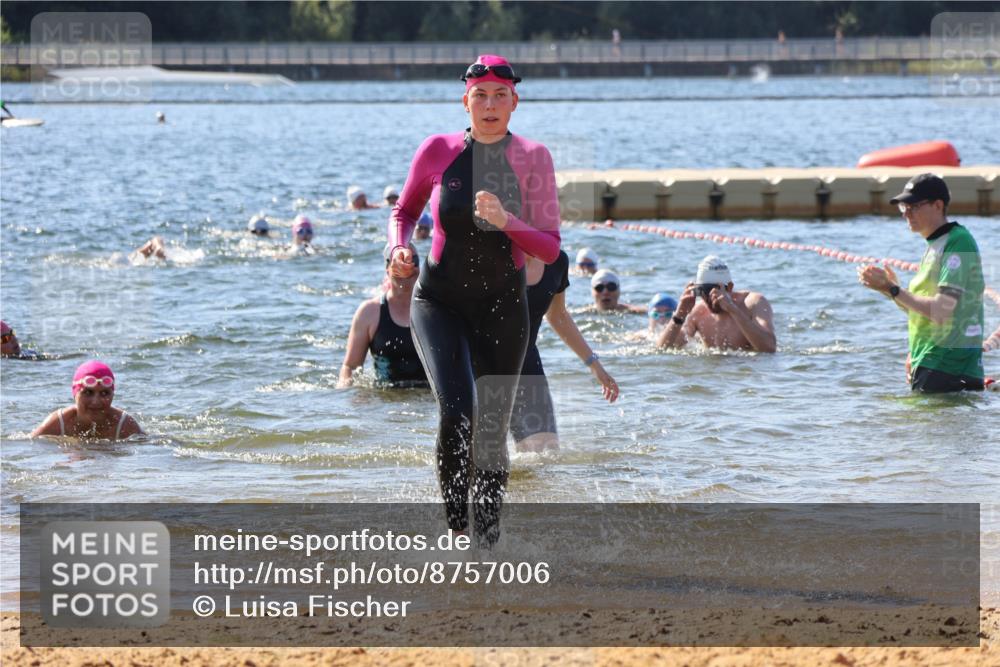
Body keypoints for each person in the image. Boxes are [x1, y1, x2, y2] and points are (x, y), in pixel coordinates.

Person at [386, 54, 560, 546]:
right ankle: (457, 530)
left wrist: (508, 221)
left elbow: (548, 246)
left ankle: (488, 539)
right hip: (438, 301)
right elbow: (404, 211)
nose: (489, 105)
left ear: (514, 103)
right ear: (465, 101)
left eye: (499, 96)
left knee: (491, 426)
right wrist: (398, 247)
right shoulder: (437, 150)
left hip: (503, 306)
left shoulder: (533, 156)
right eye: (480, 95)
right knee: (457, 409)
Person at [858, 173, 985, 392]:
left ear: (938, 205)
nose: (906, 214)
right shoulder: (934, 244)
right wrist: (887, 289)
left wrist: (893, 288)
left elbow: (940, 311)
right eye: (903, 208)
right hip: (930, 362)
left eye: (913, 206)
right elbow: (922, 312)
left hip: (948, 369)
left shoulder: (958, 241)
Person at [512, 251, 618, 452]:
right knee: (485, 455)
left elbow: (558, 315)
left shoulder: (556, 260)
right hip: (482, 358)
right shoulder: (495, 251)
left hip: (526, 360)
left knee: (543, 453)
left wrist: (595, 367)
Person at [338, 243, 427, 389]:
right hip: (385, 402)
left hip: (426, 402)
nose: (405, 270)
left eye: (412, 262)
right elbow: (351, 367)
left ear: (420, 267)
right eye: (397, 264)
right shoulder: (369, 312)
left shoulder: (434, 309)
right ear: (388, 269)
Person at [657, 255, 776, 353]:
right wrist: (679, 314)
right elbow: (663, 349)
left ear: (729, 288)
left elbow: (769, 348)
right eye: (703, 291)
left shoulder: (754, 303)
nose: (709, 298)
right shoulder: (698, 312)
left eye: (714, 291)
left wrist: (733, 309)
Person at [31, 360, 143, 440]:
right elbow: (30, 445)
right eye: (88, 392)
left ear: (113, 395)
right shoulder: (58, 423)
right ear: (75, 394)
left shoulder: (124, 425)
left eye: (104, 393)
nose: (96, 401)